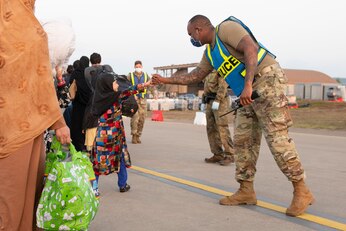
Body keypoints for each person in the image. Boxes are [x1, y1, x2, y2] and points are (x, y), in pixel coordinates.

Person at [152, 15, 314, 217]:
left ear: (198, 29)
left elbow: (251, 49)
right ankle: (246, 190)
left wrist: (247, 85)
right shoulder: (210, 53)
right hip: (245, 93)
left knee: (277, 137)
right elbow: (195, 75)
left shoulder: (226, 29)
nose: (191, 38)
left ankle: (301, 190)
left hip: (266, 81)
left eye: (190, 34)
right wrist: (165, 79)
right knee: (243, 140)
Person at [0, 1, 71, 230]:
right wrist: (58, 123)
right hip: (15, 126)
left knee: (22, 200)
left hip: (25, 122)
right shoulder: (19, 19)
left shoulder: (24, 15)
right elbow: (35, 73)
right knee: (13, 203)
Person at [91, 69, 151, 195]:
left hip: (103, 138)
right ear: (108, 85)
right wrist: (145, 85)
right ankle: (122, 185)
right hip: (115, 136)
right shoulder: (115, 96)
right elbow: (129, 90)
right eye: (114, 83)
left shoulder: (98, 99)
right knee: (119, 159)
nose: (117, 84)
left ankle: (94, 189)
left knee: (98, 163)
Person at [202, 72, 235, 166]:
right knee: (211, 128)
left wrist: (218, 99)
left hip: (220, 101)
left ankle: (230, 155)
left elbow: (223, 85)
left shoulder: (219, 68)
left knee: (222, 128)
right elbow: (206, 85)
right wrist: (204, 97)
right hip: (209, 100)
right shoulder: (207, 69)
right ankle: (217, 154)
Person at [70, 56, 92, 151]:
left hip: (77, 103)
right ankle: (86, 144)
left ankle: (77, 145)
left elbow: (71, 84)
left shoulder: (75, 73)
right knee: (86, 124)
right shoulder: (89, 73)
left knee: (76, 125)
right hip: (87, 105)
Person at [127, 60, 152, 144]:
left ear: (142, 67)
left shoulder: (145, 75)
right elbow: (127, 86)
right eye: (136, 67)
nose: (138, 68)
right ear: (134, 67)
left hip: (143, 100)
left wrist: (154, 94)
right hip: (134, 99)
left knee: (142, 119)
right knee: (135, 118)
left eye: (139, 66)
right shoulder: (130, 76)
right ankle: (134, 135)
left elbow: (150, 85)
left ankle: (138, 135)